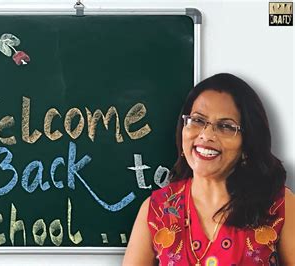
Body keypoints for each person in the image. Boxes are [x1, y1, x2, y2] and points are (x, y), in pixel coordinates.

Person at [122, 73, 294, 265]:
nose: (206, 135)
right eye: (197, 120)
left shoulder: (278, 204)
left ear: (247, 144)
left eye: (226, 126)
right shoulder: (157, 210)